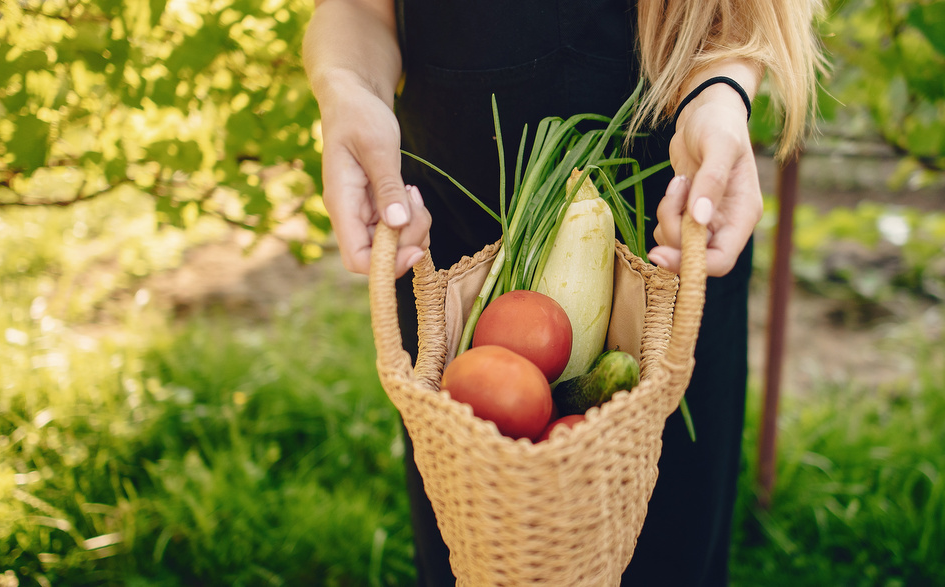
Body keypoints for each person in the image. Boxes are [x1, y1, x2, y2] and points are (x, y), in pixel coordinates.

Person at [303, 0, 823, 584]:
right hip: (451, 246)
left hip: (666, 223)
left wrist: (722, 95)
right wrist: (348, 91)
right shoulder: (449, 292)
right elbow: (356, 10)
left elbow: (732, 15)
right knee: (478, 548)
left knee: (672, 543)